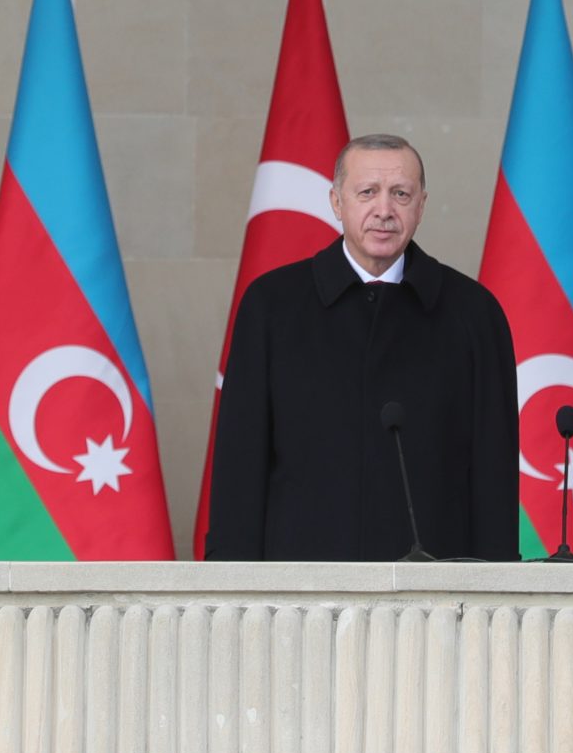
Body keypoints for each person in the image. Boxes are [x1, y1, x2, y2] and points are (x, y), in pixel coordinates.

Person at [205, 133, 520, 560]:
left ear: (422, 205)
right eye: (367, 192)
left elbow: (493, 474)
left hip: (434, 596)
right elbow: (240, 463)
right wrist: (233, 589)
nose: (384, 211)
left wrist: (494, 592)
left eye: (401, 194)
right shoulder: (271, 306)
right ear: (337, 202)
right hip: (299, 592)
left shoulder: (474, 314)